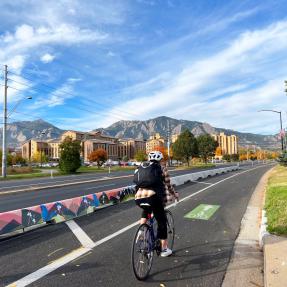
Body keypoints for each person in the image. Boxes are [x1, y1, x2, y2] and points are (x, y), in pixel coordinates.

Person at [133, 150, 179, 257]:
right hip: (154, 198)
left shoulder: (141, 167)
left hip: (138, 198)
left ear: (149, 158)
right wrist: (175, 194)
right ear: (160, 159)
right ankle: (164, 249)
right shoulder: (162, 168)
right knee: (162, 222)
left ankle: (142, 231)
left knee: (147, 209)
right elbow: (168, 185)